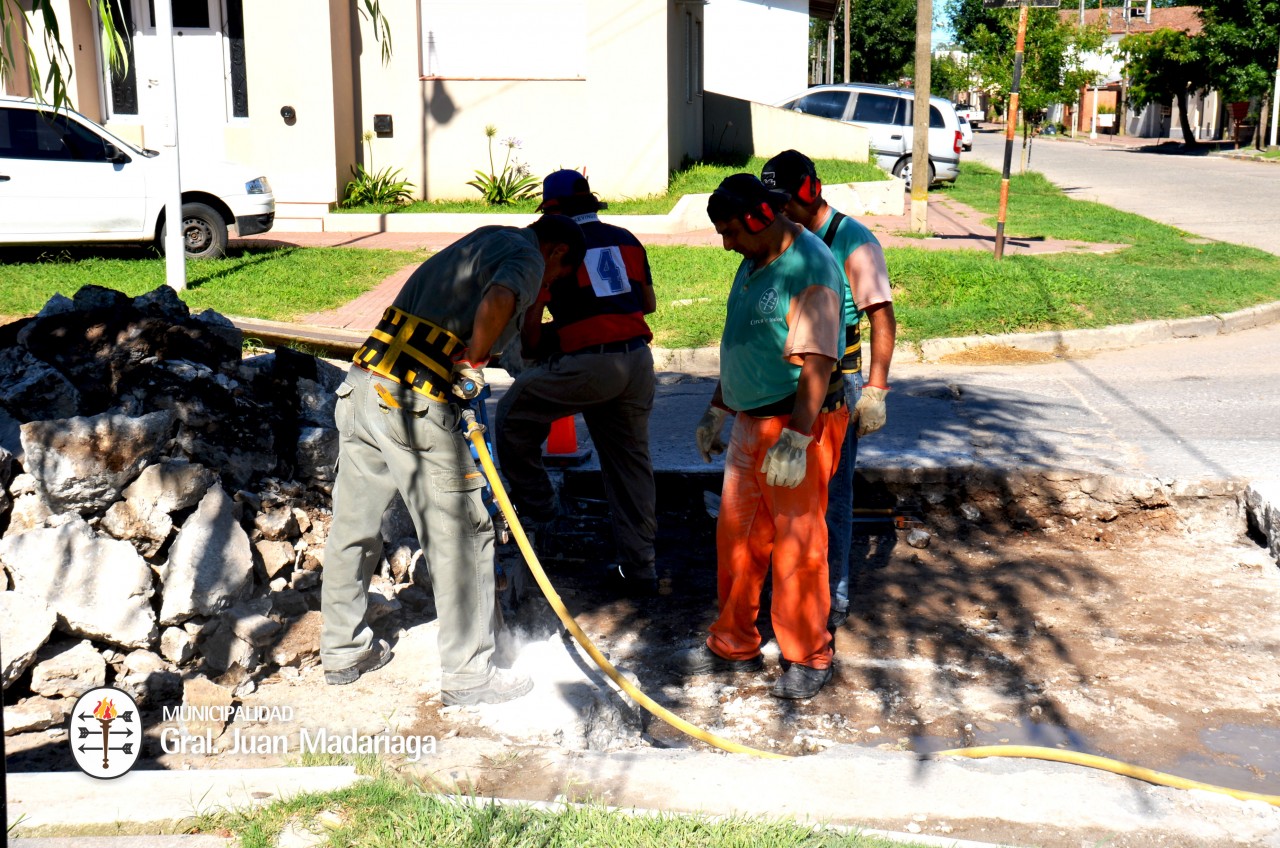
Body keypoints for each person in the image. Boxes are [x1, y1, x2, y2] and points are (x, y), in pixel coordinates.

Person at [321, 216, 585, 705]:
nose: (548, 286)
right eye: (557, 277)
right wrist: (474, 360)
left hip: (362, 386)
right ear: (558, 251)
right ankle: (469, 675)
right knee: (462, 535)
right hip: (415, 404)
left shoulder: (489, 237)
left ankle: (342, 650)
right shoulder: (527, 256)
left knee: (353, 527)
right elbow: (502, 298)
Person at [676, 173, 850, 700]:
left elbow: (818, 364)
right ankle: (734, 641)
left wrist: (797, 439)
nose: (726, 244)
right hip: (752, 422)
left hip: (800, 424)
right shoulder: (752, 264)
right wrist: (716, 409)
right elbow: (743, 344)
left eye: (731, 231)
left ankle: (809, 654)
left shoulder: (811, 267)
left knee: (798, 544)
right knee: (737, 537)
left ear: (759, 219)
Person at [495, 169, 659, 597]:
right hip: (637, 360)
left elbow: (530, 338)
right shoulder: (626, 238)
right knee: (630, 467)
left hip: (591, 366)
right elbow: (648, 304)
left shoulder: (553, 251)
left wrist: (549, 333)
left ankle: (542, 510)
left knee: (513, 416)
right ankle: (640, 569)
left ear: (553, 214)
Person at [761, 150, 896, 630]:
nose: (780, 213)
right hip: (790, 385)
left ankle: (832, 598)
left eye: (786, 203)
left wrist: (875, 389)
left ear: (812, 191)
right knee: (787, 496)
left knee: (832, 496)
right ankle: (789, 590)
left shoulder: (851, 242)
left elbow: (882, 317)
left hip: (843, 383)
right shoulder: (783, 239)